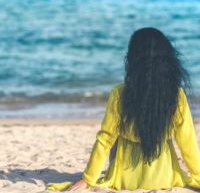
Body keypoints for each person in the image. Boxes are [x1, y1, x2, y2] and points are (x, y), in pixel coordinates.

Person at [47, 27, 200, 191]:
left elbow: (105, 139)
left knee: (116, 133)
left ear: (133, 58)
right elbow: (187, 141)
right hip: (163, 177)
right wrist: (198, 176)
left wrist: (88, 179)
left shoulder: (119, 93)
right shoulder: (176, 95)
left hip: (124, 179)